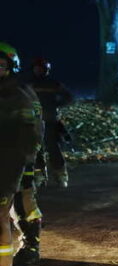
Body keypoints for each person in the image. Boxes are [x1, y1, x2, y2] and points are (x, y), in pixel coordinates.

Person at [0, 42, 44, 266]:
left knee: (24, 203)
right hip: (17, 159)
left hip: (17, 161)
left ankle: (30, 246)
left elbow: (32, 132)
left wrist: (30, 162)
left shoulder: (20, 94)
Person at [29, 56, 74, 188]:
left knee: (53, 148)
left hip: (49, 121)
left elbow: (69, 97)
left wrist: (56, 105)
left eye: (41, 68)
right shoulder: (29, 85)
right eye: (36, 68)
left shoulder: (54, 84)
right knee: (36, 150)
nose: (38, 71)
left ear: (46, 70)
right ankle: (40, 175)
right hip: (35, 121)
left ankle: (61, 175)